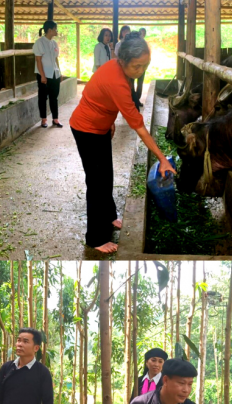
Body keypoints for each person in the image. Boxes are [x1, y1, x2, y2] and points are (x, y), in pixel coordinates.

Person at [69, 35, 176, 254]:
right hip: (86, 130)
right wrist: (162, 159)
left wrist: (108, 122)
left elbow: (99, 97)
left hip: (100, 127)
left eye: (145, 65)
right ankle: (95, 238)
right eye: (137, 66)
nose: (141, 70)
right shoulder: (116, 80)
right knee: (97, 183)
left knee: (106, 175)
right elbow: (139, 127)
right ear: (123, 60)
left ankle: (109, 217)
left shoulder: (119, 70)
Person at [34, 20, 63, 128]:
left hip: (54, 74)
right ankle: (44, 119)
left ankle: (55, 119)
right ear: (50, 30)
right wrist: (42, 75)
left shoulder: (54, 43)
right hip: (44, 75)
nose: (57, 31)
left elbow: (56, 59)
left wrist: (59, 72)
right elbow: (38, 60)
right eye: (55, 29)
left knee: (54, 97)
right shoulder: (39, 42)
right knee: (43, 97)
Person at [131, 28, 148, 109]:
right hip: (134, 67)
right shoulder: (134, 44)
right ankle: (134, 101)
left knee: (140, 84)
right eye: (141, 32)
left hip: (142, 67)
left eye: (144, 33)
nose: (142, 34)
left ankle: (137, 100)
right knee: (131, 84)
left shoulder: (145, 44)